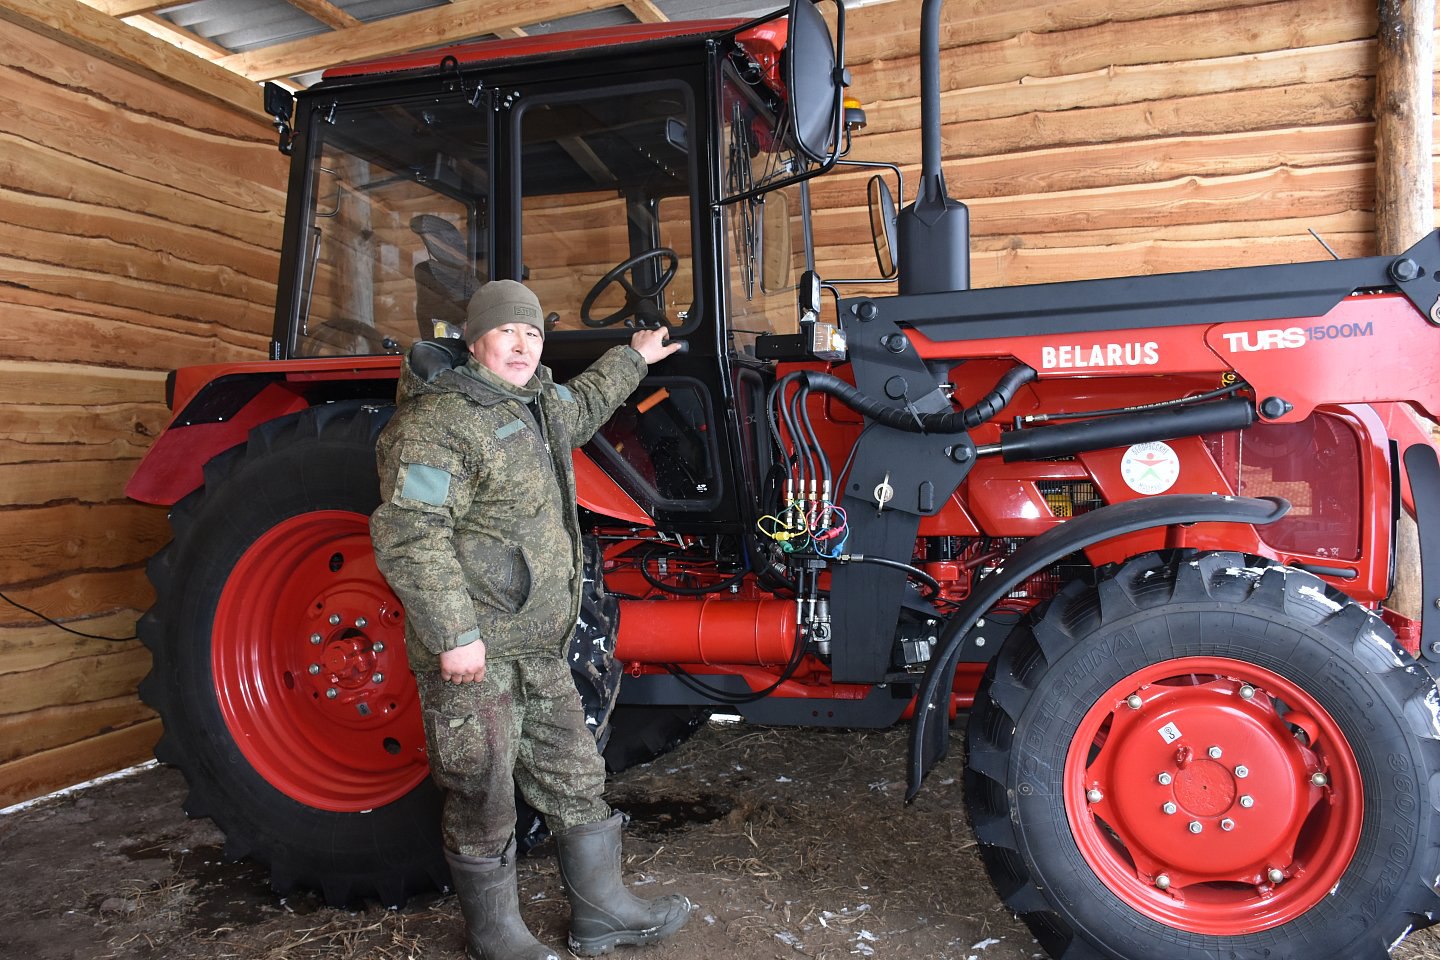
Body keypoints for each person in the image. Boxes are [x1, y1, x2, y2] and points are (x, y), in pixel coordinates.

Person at [370, 279, 689, 960]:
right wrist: (455, 636)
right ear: (475, 339)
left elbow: (588, 402)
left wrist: (634, 357)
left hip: (538, 645)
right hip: (476, 653)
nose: (521, 344)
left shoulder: (538, 403)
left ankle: (602, 913)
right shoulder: (437, 424)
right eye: (506, 331)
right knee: (482, 791)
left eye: (533, 333)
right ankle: (496, 935)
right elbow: (410, 532)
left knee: (576, 774)